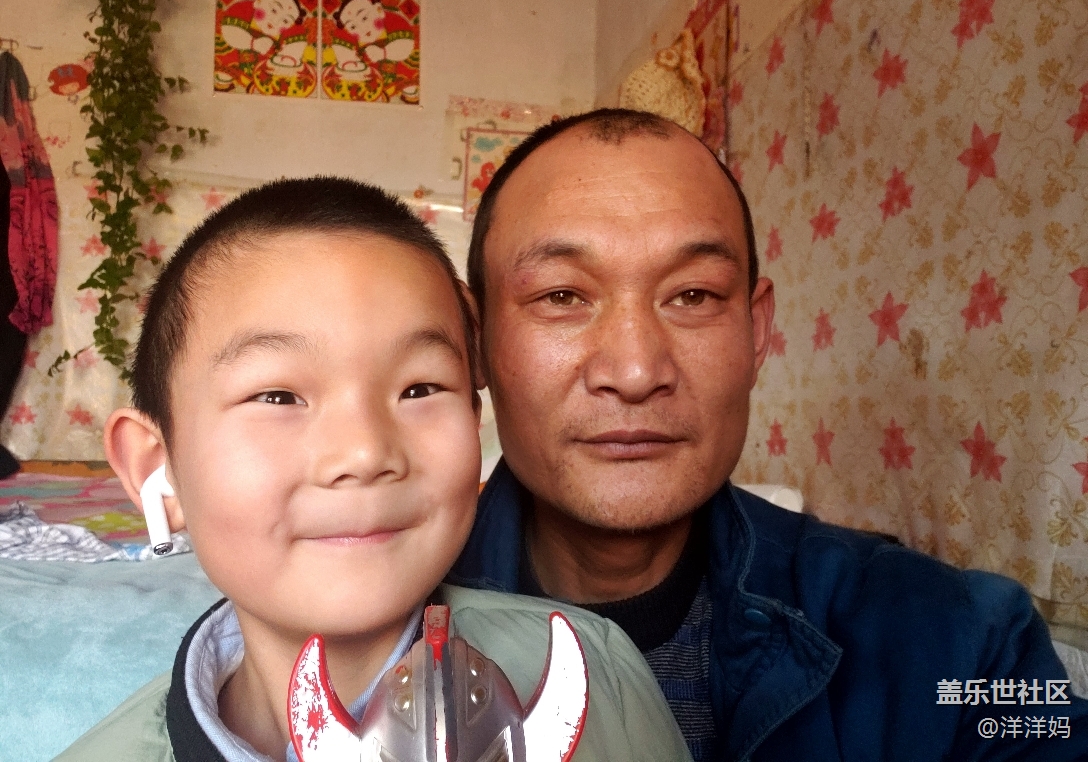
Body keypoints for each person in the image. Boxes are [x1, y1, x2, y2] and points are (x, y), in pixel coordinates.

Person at [447, 109, 1088, 761]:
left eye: (693, 296)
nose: (636, 372)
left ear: (757, 332)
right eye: (561, 296)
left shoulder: (964, 645)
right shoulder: (388, 624)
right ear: (473, 340)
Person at [56, 177, 691, 762]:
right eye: (278, 397)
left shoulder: (600, 672)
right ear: (156, 469)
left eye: (420, 389)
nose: (364, 453)